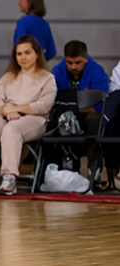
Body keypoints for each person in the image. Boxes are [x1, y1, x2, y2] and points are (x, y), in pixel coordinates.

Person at [0, 35, 57, 195]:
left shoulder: (47, 78)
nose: (22, 57)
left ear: (37, 54)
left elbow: (44, 105)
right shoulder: (8, 77)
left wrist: (17, 109)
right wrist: (4, 110)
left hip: (35, 119)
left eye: (27, 52)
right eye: (19, 53)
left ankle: (9, 178)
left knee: (12, 129)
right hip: (7, 114)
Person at [51, 40, 109, 174]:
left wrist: (72, 107)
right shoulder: (57, 72)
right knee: (57, 118)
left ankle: (94, 168)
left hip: (88, 118)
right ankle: (60, 168)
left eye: (78, 63)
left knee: (95, 119)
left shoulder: (97, 72)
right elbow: (52, 101)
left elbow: (100, 106)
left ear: (86, 58)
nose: (73, 67)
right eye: (69, 63)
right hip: (65, 117)